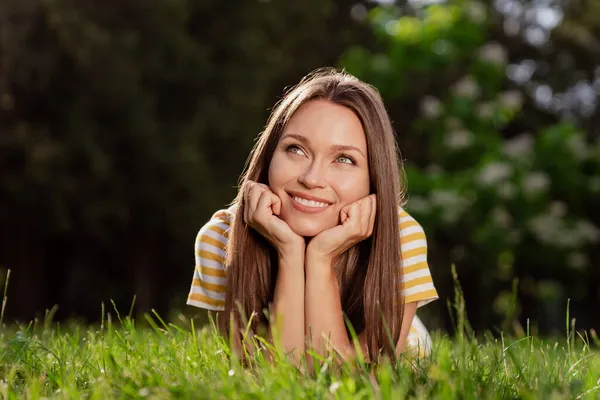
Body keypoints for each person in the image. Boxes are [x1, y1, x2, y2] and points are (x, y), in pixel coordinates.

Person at [186, 68, 438, 365]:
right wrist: (289, 253)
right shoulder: (222, 238)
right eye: (296, 149)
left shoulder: (401, 237)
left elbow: (345, 382)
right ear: (269, 155)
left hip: (408, 348)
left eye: (344, 159)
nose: (312, 178)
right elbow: (267, 377)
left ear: (373, 177)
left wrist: (320, 258)